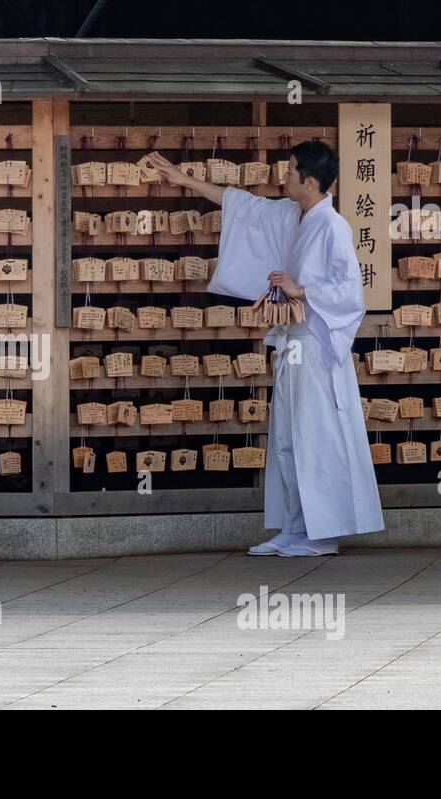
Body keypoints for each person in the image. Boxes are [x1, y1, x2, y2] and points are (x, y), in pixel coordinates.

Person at [147, 143, 385, 556]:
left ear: (310, 180)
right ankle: (294, 528)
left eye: (291, 171)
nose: (284, 176)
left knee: (314, 435)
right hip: (292, 341)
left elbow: (350, 291)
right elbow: (245, 208)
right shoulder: (297, 215)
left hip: (316, 345)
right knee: (287, 438)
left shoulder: (332, 226)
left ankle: (321, 533)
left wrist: (301, 288)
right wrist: (184, 180)